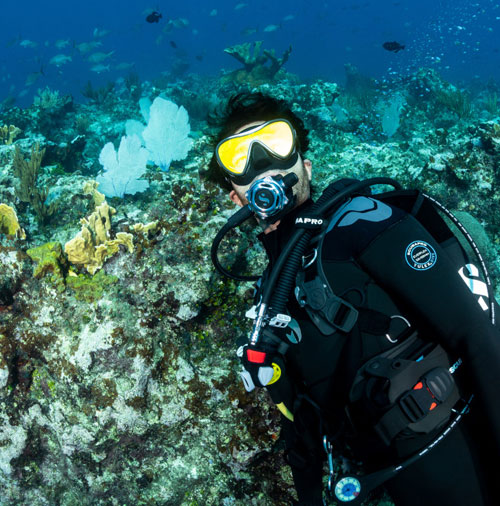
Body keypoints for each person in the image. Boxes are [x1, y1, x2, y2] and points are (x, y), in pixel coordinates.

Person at [205, 92, 500, 506]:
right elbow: (305, 424)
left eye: (276, 142)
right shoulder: (270, 293)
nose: (262, 164)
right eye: (239, 156)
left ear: (305, 166)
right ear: (235, 196)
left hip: (460, 453)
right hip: (390, 479)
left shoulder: (362, 222)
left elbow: (476, 334)